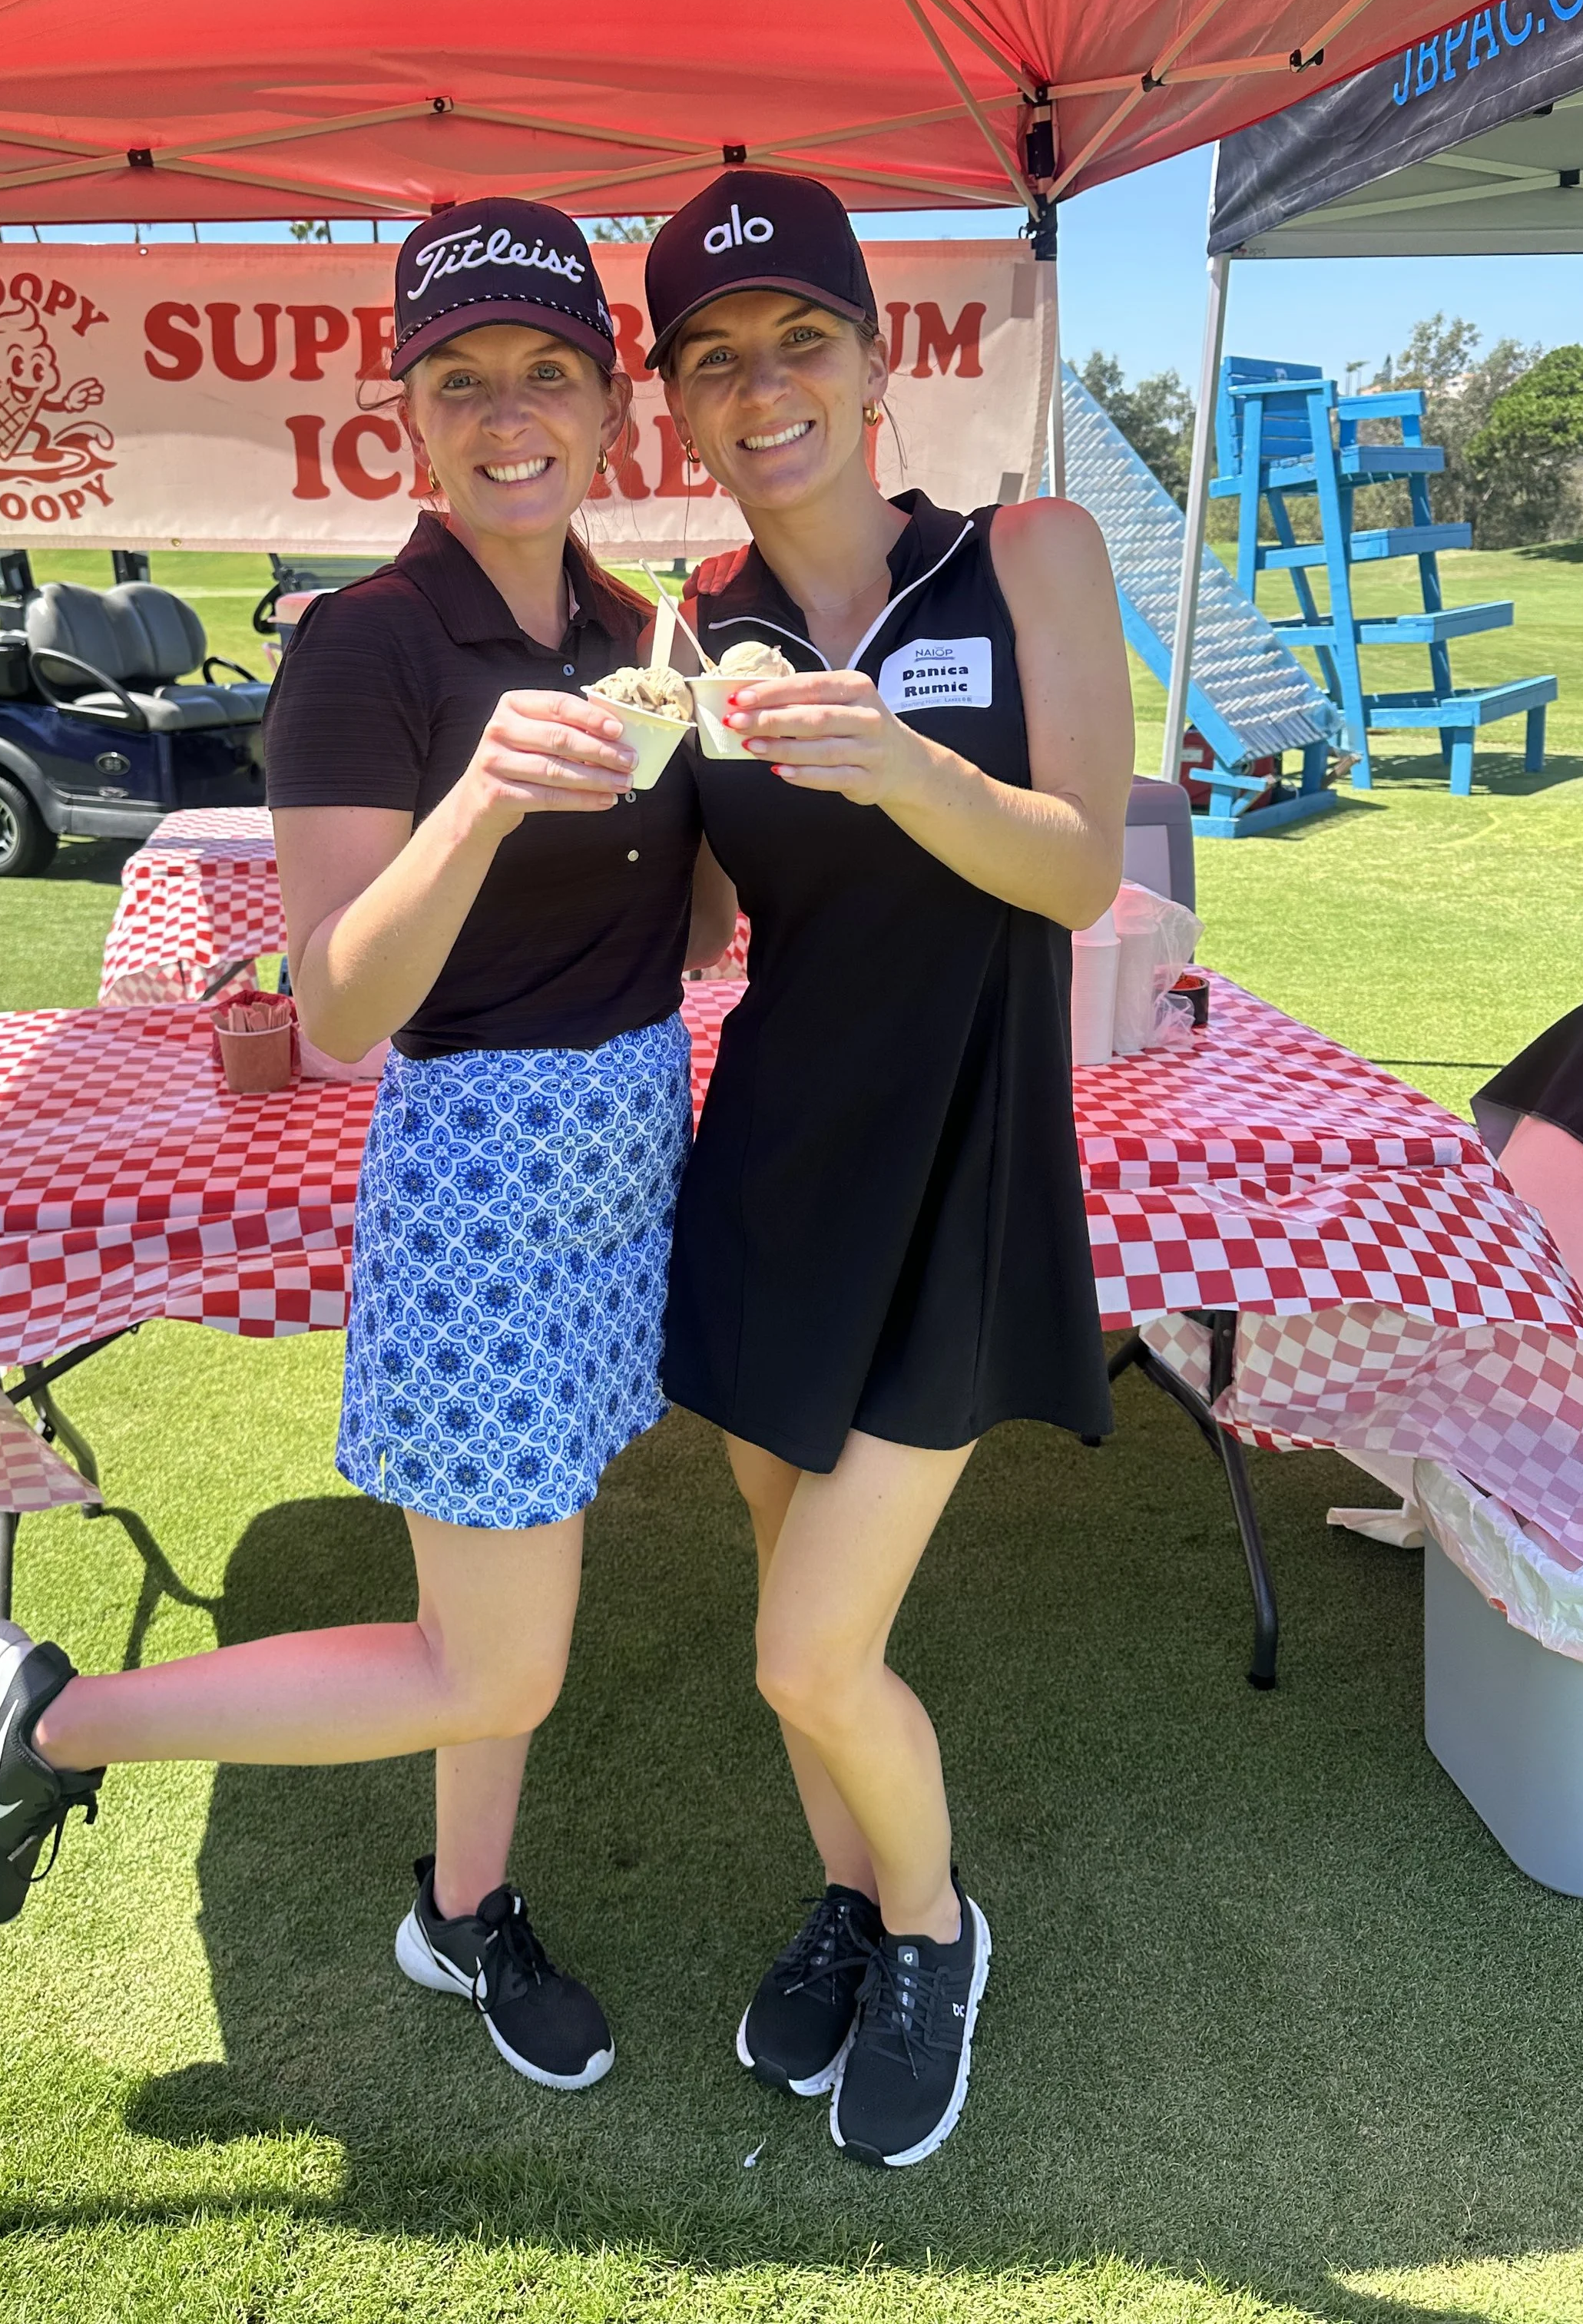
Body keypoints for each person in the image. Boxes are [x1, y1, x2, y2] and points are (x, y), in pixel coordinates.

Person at [0, 198, 736, 2094]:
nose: (508, 413)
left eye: (549, 373)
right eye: (461, 382)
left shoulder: (648, 633)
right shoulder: (363, 648)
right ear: (407, 417)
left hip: (630, 1146)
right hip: (476, 1175)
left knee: (507, 1592)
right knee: (496, 1662)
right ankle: (53, 1726)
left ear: (610, 406)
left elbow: (690, 936)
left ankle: (459, 1912)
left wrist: (753, 785)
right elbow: (344, 1007)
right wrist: (480, 792)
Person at [647, 170, 1131, 2166]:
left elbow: (1080, 862)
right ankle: (848, 1894)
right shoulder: (696, 624)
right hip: (767, 1170)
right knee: (787, 1588)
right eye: (711, 357)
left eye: (799, 340)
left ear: (873, 357)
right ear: (679, 400)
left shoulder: (1026, 550)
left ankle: (934, 1927)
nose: (761, 386)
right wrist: (563, 790)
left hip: (957, 1177)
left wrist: (902, 764)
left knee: (805, 1646)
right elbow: (686, 934)